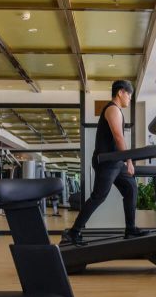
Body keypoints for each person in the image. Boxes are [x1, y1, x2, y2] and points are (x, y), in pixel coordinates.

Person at [62, 80, 144, 245]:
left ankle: (130, 229)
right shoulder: (112, 109)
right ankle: (74, 232)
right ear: (120, 92)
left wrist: (123, 161)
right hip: (107, 162)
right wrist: (129, 160)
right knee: (98, 197)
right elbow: (118, 137)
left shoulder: (117, 110)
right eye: (129, 94)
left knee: (131, 189)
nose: (130, 98)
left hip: (115, 162)